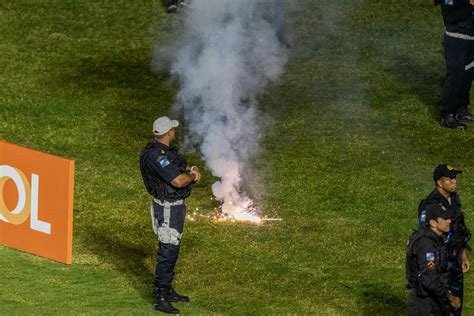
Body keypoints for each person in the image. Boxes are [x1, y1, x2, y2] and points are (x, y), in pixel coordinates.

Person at [140, 116, 202, 314]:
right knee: (167, 250)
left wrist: (189, 169)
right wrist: (192, 176)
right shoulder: (157, 157)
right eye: (173, 129)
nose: (175, 132)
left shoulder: (157, 153)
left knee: (172, 248)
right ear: (168, 133)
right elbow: (176, 181)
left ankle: (167, 289)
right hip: (168, 208)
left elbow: (171, 169)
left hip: (173, 207)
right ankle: (160, 297)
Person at [418, 164, 471, 315]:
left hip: (454, 261)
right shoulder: (430, 205)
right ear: (440, 183)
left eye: (455, 178)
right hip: (440, 264)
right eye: (450, 179)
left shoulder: (453, 198)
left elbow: (458, 228)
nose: (454, 181)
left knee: (456, 305)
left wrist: (463, 253)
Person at [406, 203, 462, 315]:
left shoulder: (436, 239)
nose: (449, 221)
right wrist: (450, 297)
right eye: (445, 219)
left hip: (434, 299)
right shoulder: (427, 245)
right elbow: (429, 278)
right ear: (433, 223)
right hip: (425, 303)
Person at [436, 0, 474, 129]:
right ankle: (447, 114)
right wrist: (469, 4)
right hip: (456, 36)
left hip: (470, 34)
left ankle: (460, 109)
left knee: (468, 71)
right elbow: (450, 12)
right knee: (456, 74)